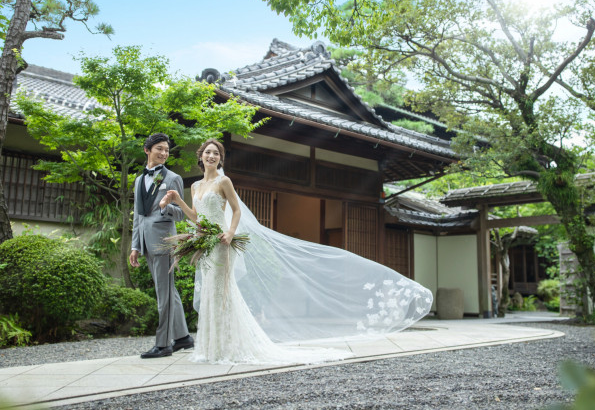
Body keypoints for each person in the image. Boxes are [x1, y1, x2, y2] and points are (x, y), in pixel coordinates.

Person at [162, 138, 434, 365]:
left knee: (223, 293)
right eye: (208, 152)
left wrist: (231, 233)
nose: (212, 156)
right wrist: (177, 201)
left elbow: (235, 210)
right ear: (201, 157)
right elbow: (197, 217)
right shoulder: (196, 186)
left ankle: (227, 347)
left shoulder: (224, 182)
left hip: (222, 243)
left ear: (221, 159)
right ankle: (210, 348)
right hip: (205, 243)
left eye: (216, 153)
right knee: (210, 292)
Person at [130, 133, 194, 359]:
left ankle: (164, 344)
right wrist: (135, 246)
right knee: (168, 291)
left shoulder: (173, 178)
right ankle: (183, 337)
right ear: (147, 150)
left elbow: (181, 214)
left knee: (164, 295)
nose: (164, 153)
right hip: (146, 242)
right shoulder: (139, 180)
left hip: (165, 242)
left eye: (167, 150)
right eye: (159, 149)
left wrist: (166, 205)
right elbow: (139, 215)